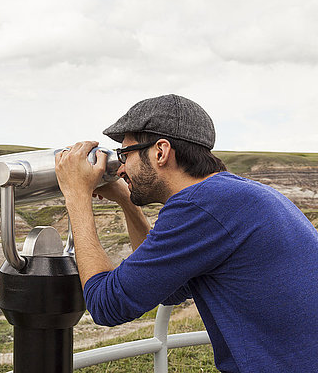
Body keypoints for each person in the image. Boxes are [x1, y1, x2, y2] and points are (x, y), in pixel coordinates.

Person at [54, 94, 318, 372]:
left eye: (125, 155)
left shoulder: (201, 206)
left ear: (161, 152)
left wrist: (76, 195)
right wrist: (126, 202)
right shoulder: (230, 195)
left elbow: (106, 304)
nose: (120, 169)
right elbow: (167, 289)